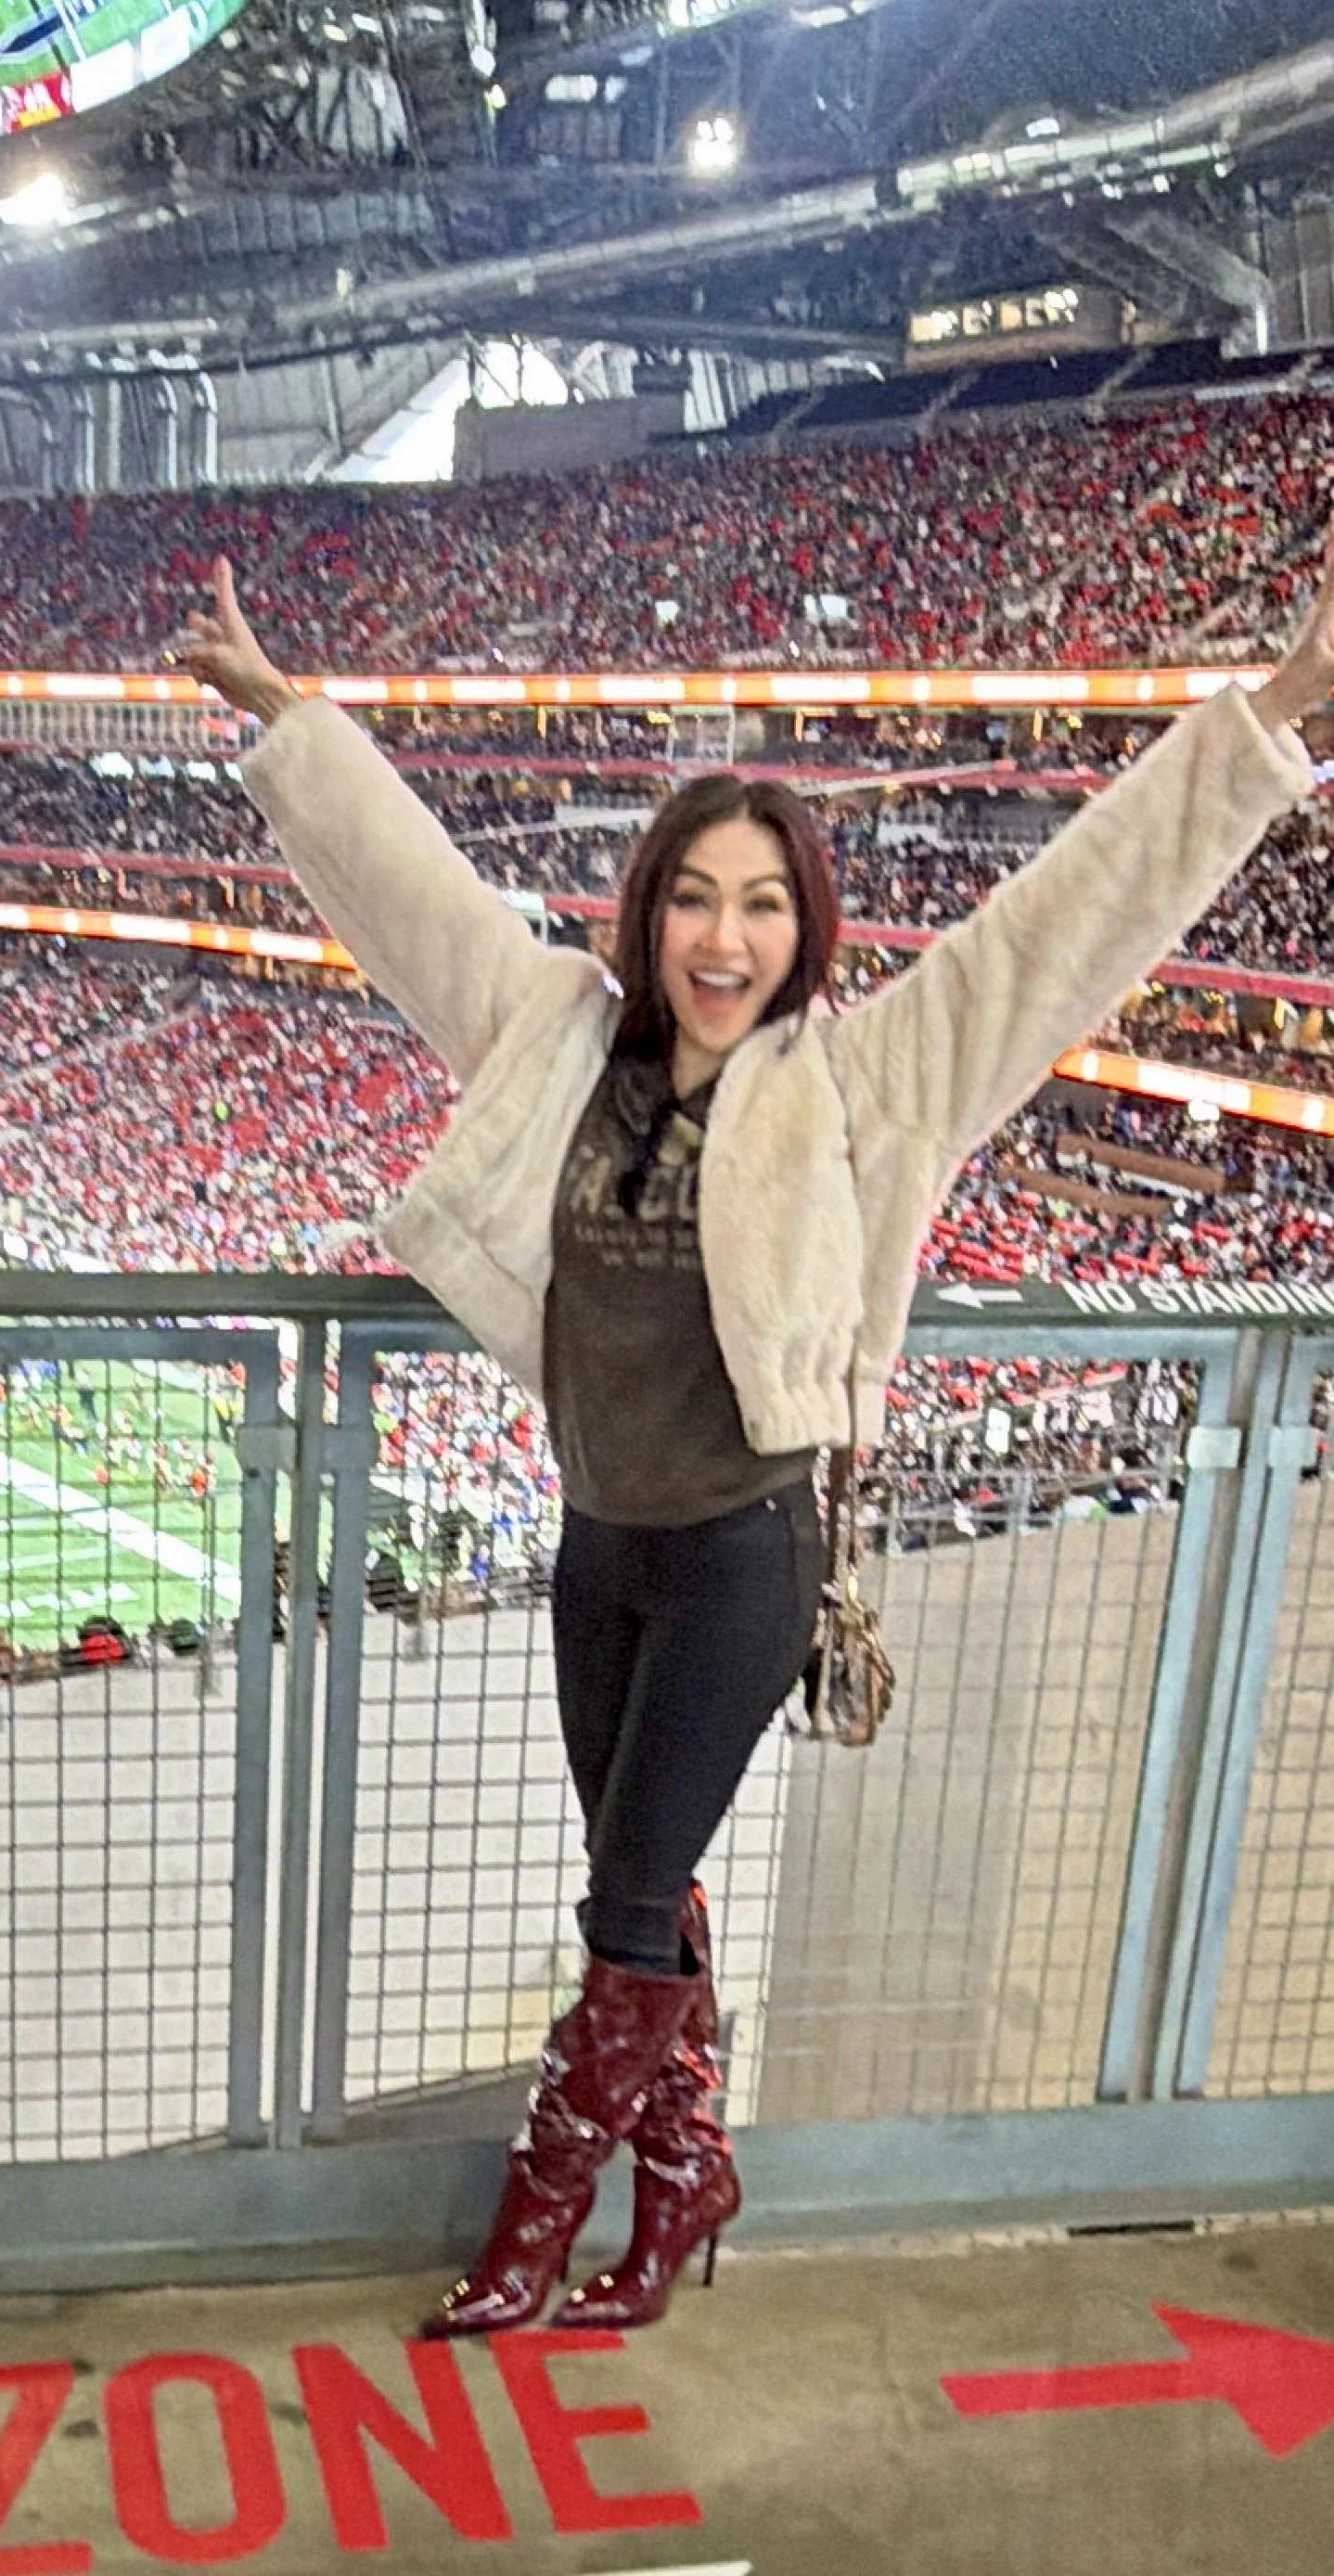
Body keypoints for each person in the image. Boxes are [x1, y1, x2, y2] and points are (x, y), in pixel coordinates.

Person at [194, 538, 1333, 2337]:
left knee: (628, 1895)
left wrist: (1263, 719)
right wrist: (288, 723)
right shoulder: (554, 1042)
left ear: (804, 928)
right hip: (596, 1535)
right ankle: (687, 2174)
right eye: (692, 899)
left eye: (763, 905)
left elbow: (1055, 922)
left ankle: (540, 2225)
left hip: (739, 1543)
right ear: (645, 913)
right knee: (640, 1895)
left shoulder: (865, 1084)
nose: (724, 937)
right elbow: (411, 897)